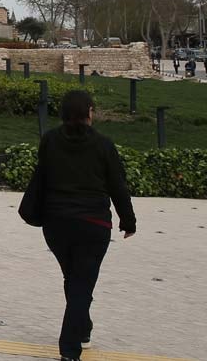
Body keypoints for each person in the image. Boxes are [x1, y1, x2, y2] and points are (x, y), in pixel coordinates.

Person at [39, 90, 136, 361]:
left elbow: (41, 178)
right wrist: (128, 221)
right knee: (81, 283)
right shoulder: (103, 145)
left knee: (74, 279)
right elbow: (118, 186)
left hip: (56, 224)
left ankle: (83, 328)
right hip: (93, 225)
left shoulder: (50, 140)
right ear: (89, 112)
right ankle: (70, 350)